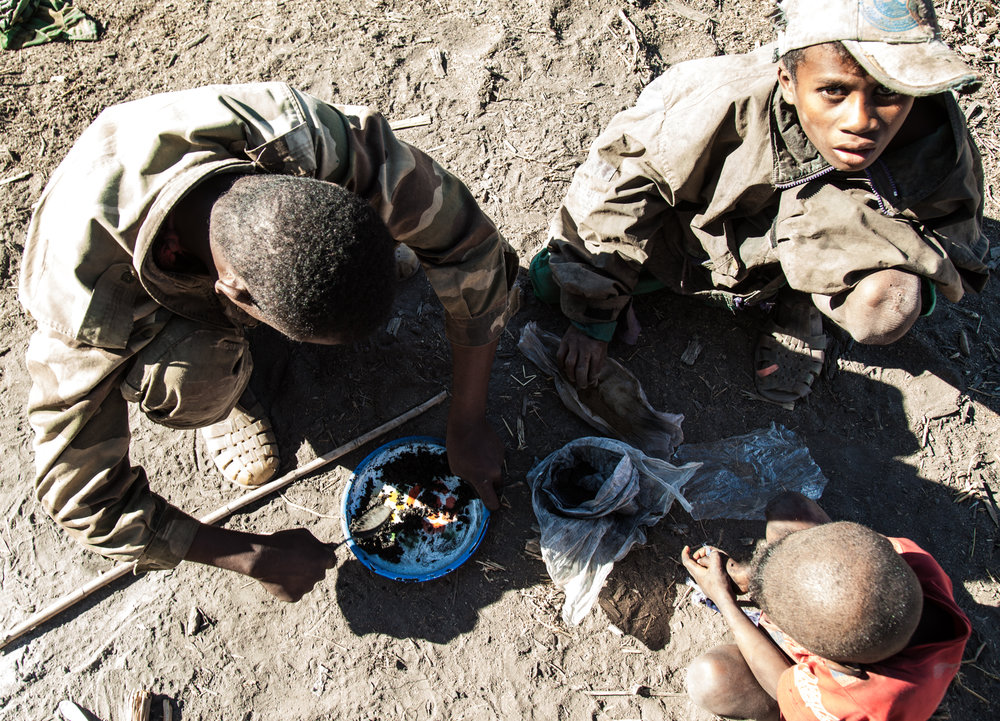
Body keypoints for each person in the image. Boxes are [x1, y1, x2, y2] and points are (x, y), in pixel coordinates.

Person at [19, 83, 519, 601]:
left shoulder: (304, 142)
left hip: (231, 225)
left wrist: (467, 419)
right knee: (193, 375)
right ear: (231, 295)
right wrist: (252, 556)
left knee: (403, 212)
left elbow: (471, 246)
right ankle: (232, 384)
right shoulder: (82, 305)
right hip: (127, 270)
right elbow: (79, 497)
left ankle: (347, 263)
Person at [530, 0, 989, 403]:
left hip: (800, 256)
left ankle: (800, 304)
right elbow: (619, 190)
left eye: (889, 92)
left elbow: (954, 240)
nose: (861, 121)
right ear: (788, 81)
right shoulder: (714, 103)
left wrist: (894, 272)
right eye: (834, 91)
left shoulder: (933, 141)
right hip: (694, 241)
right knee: (551, 281)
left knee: (887, 304)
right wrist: (596, 315)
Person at [680, 492, 971, 720]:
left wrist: (724, 600)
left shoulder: (849, 703)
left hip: (826, 700)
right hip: (853, 629)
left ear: (831, 663)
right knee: (789, 510)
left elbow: (783, 683)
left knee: (711, 679)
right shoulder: (912, 562)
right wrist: (751, 575)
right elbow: (840, 548)